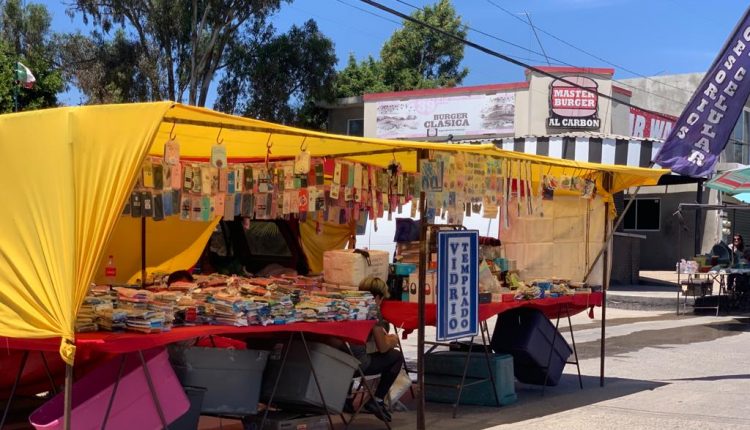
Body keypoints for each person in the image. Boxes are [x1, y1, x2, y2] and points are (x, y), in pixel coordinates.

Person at [348, 276, 404, 422]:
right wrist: (392, 340)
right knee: (396, 356)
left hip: (341, 361)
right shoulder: (372, 309)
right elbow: (383, 348)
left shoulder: (349, 305)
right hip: (358, 365)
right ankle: (377, 400)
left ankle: (347, 399)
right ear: (378, 297)